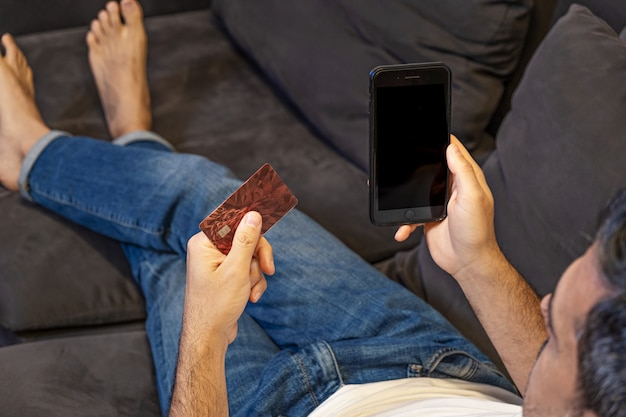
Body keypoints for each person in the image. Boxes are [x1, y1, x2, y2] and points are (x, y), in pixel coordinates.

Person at [0, 1, 624, 416]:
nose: (541, 307)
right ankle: (126, 143)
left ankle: (40, 149)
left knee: (181, 255)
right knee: (230, 202)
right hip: (434, 360)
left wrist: (205, 341)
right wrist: (479, 260)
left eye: (559, 335)